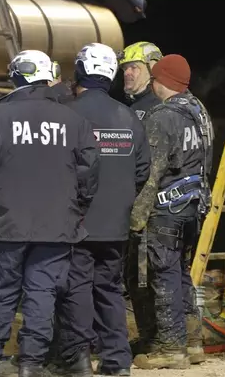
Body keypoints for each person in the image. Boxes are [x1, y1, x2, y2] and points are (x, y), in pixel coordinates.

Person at [0, 49, 100, 377]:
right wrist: (76, 209)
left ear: (17, 76)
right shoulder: (74, 121)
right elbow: (89, 173)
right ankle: (31, 364)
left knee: (1, 294)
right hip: (56, 226)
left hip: (6, 225)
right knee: (42, 294)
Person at [51, 43, 151, 377]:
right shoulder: (129, 117)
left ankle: (78, 360)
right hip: (115, 224)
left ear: (80, 71)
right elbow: (142, 171)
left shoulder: (66, 114)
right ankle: (117, 361)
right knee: (109, 290)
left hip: (77, 221)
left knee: (76, 287)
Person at [126, 54, 214, 369]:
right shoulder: (198, 111)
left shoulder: (161, 116)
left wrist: (137, 218)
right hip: (194, 208)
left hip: (165, 211)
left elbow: (151, 174)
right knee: (181, 274)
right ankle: (192, 342)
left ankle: (170, 347)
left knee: (162, 276)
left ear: (160, 80)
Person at [117, 41, 163, 121]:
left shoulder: (160, 109)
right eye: (125, 68)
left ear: (152, 70)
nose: (126, 73)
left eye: (133, 67)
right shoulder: (129, 104)